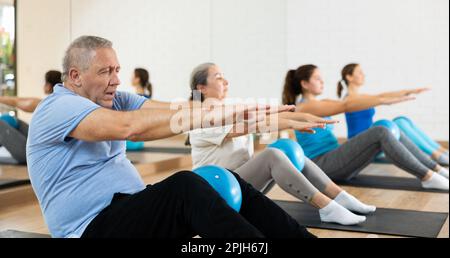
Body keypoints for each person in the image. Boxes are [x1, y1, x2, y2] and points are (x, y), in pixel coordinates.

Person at [26, 35, 316, 238]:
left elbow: (176, 110)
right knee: (185, 186)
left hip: (133, 213)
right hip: (90, 227)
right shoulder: (58, 106)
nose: (116, 79)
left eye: (117, 70)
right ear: (75, 76)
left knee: (218, 180)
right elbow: (132, 127)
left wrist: (257, 114)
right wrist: (221, 114)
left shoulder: (114, 98)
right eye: (105, 72)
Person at [189, 63, 376, 226]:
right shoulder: (198, 119)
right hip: (216, 194)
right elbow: (250, 126)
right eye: (219, 77)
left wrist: (304, 116)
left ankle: (339, 196)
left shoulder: (229, 109)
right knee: (272, 156)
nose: (226, 81)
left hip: (240, 184)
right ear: (202, 88)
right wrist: (292, 123)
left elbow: (267, 117)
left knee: (286, 146)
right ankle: (326, 207)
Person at [282, 64, 449, 190]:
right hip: (322, 165)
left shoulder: (320, 103)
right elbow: (346, 105)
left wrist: (405, 92)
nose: (322, 81)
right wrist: (383, 102)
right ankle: (427, 176)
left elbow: (363, 99)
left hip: (334, 160)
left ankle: (434, 168)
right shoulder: (304, 107)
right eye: (318, 78)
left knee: (387, 127)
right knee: (381, 131)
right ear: (304, 83)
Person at [338, 63, 449, 167]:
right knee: (399, 123)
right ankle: (437, 155)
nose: (363, 75)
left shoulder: (362, 96)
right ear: (349, 77)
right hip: (362, 145)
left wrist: (410, 91)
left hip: (372, 139)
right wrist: (389, 99)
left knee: (403, 120)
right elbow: (379, 98)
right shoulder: (350, 99)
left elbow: (381, 95)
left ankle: (441, 151)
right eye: (360, 72)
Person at [0, 70, 62, 164]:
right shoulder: (58, 102)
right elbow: (18, 100)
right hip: (40, 152)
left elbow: (16, 102)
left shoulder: (46, 104)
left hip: (31, 155)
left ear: (48, 86)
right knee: (13, 120)